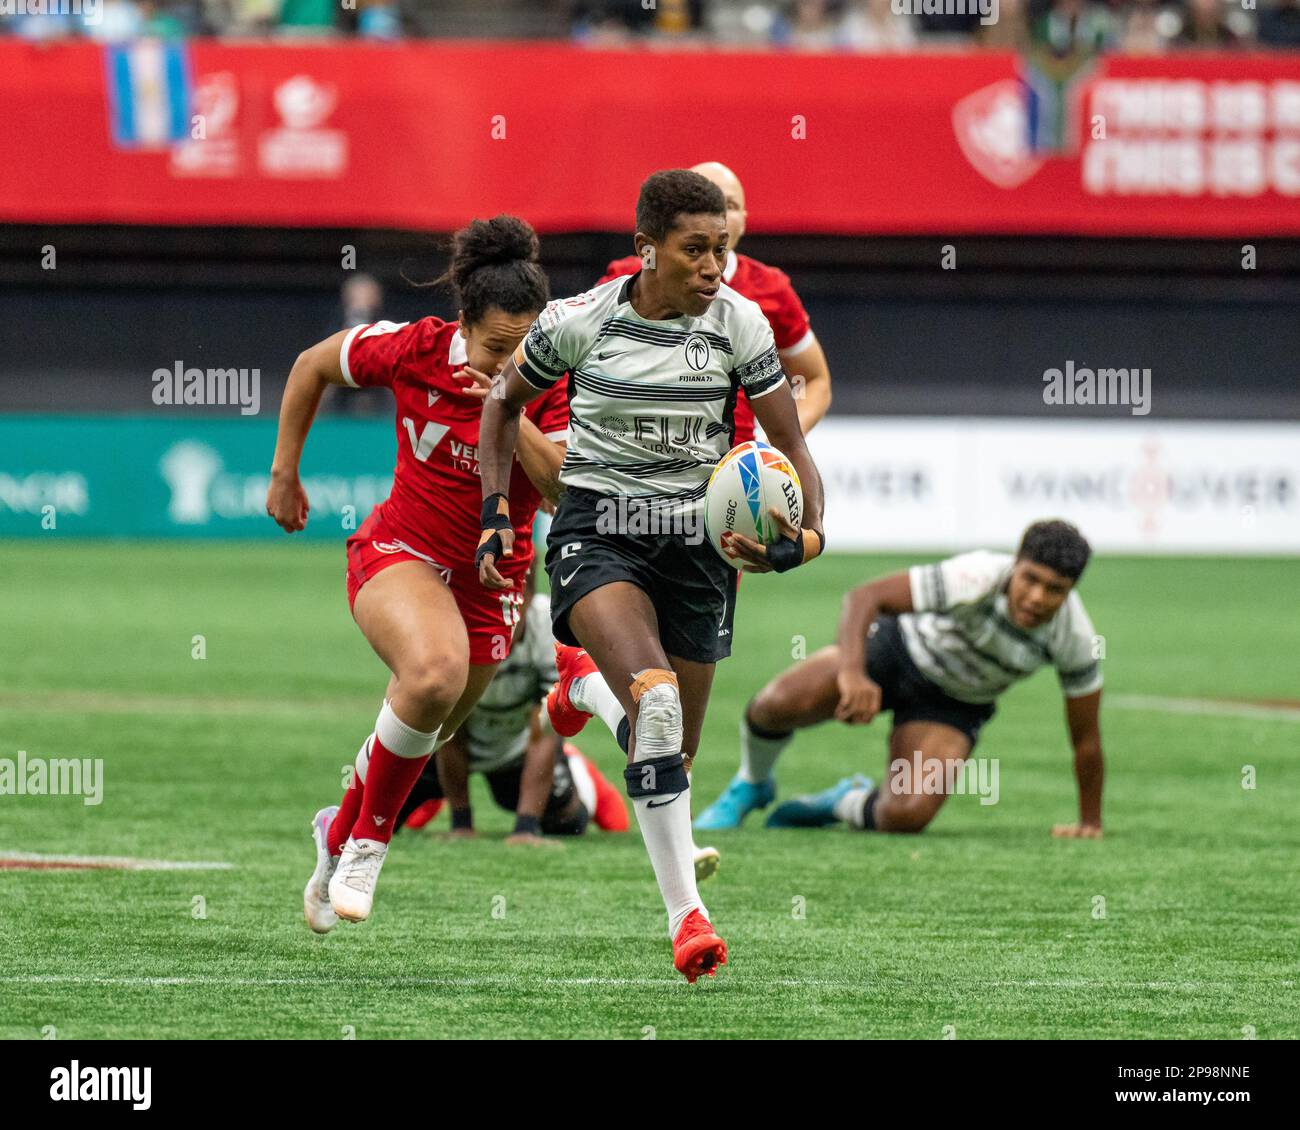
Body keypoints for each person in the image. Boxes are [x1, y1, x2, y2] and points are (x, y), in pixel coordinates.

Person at [475, 169, 826, 983]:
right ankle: (688, 921)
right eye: (695, 250)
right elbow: (501, 402)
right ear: (647, 251)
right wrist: (498, 510)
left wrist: (805, 538)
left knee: (671, 750)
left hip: (698, 547)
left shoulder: (741, 323)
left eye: (723, 250)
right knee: (658, 704)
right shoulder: (578, 321)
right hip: (599, 531)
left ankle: (583, 693)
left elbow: (795, 451)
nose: (714, 267)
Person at [266, 216, 569, 933]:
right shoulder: (413, 348)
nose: (510, 360)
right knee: (432, 675)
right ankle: (370, 841)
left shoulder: (554, 382)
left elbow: (557, 488)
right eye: (497, 347)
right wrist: (285, 473)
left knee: (421, 721)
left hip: (494, 587)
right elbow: (312, 364)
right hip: (399, 552)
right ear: (463, 324)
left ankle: (334, 834)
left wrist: (508, 401)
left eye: (525, 349)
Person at [696, 520, 1106, 839]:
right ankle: (751, 783)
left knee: (905, 816)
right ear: (1015, 564)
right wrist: (854, 675)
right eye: (1030, 579)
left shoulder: (1076, 639)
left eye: (1054, 590)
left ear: (1070, 592)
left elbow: (1086, 740)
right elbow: (864, 598)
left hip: (954, 704)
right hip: (897, 649)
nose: (1036, 597)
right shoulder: (976, 575)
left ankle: (842, 802)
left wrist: (1090, 821)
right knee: (774, 705)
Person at [595, 161, 832, 440]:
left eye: (729, 205)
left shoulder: (769, 289)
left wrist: (774, 443)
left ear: (744, 219)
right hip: (640, 453)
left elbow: (813, 379)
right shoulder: (626, 278)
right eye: (708, 202)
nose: (717, 214)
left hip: (730, 466)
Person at [394, 577, 629, 840]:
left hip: (515, 750)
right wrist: (461, 823)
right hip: (447, 743)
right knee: (381, 814)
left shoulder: (548, 627)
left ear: (528, 595)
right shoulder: (452, 625)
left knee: (567, 823)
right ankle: (439, 797)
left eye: (511, 603)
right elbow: (449, 729)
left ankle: (575, 765)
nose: (503, 617)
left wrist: (525, 827)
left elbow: (544, 728)